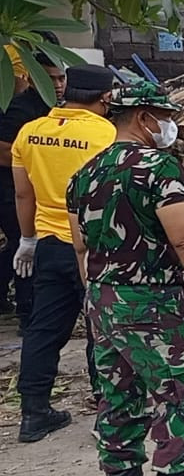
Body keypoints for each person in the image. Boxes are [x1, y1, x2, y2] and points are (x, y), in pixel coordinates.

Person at [68, 82, 184, 476]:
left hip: (103, 299)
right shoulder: (156, 168)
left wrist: (100, 300)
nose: (169, 126)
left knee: (119, 394)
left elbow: (80, 246)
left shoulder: (85, 172)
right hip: (153, 301)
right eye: (163, 116)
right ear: (143, 118)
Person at [13, 64, 117, 443]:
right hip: (95, 246)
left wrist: (27, 239)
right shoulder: (106, 134)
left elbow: (24, 194)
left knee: (43, 329)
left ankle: (34, 412)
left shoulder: (32, 131)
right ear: (106, 97)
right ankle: (107, 409)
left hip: (49, 244)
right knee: (101, 328)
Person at [0, 47, 64, 333]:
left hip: (40, 191)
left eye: (62, 79)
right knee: (26, 248)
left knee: (21, 248)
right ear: (35, 77)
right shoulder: (21, 109)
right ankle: (28, 315)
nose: (59, 85)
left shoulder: (57, 110)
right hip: (10, 191)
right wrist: (32, 159)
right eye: (51, 79)